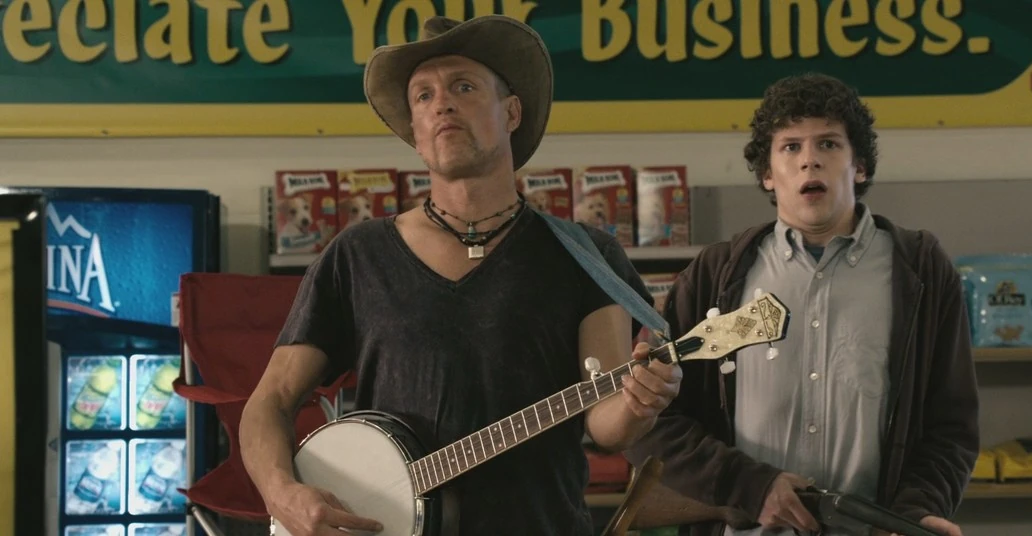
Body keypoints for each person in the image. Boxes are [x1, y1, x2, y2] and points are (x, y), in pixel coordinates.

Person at [239, 15, 683, 536]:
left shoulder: (586, 254)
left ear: (512, 112)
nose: (441, 104)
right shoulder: (357, 255)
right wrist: (282, 493)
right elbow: (269, 401)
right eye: (423, 96)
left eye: (464, 87)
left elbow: (606, 425)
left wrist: (641, 402)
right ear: (415, 132)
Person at [624, 73, 980, 536]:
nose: (810, 159)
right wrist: (750, 487)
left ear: (859, 166)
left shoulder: (922, 271)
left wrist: (914, 514)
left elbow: (951, 428)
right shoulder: (714, 276)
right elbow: (652, 421)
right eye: (790, 147)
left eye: (828, 144)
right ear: (768, 175)